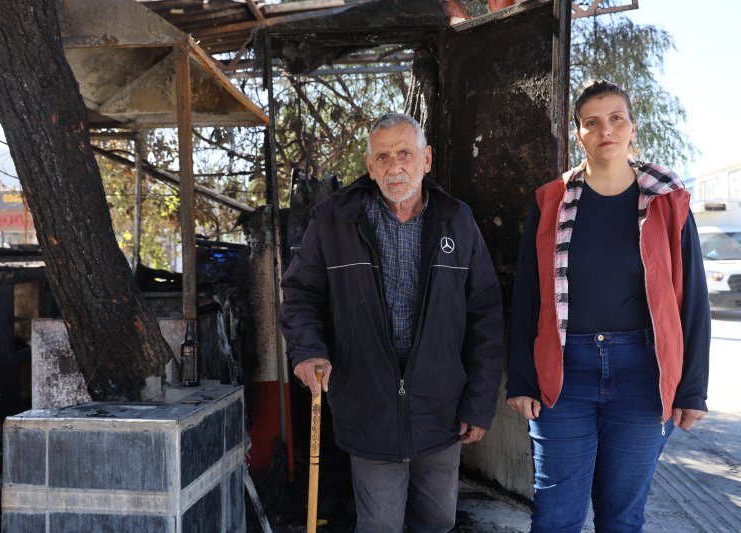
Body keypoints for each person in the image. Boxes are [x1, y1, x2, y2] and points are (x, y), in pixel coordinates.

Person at [279, 113, 504, 532]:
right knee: (380, 524)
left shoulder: (457, 219)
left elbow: (485, 316)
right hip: (369, 405)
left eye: (405, 153)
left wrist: (478, 401)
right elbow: (300, 294)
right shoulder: (334, 219)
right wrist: (308, 350)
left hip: (441, 407)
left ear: (427, 159)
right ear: (369, 166)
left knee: (437, 521)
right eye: (382, 157)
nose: (394, 166)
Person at [507, 80, 711, 532]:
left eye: (616, 118)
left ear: (632, 127)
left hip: (644, 372)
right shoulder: (551, 202)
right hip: (563, 372)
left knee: (622, 515)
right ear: (578, 134)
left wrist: (691, 387)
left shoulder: (667, 200)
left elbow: (692, 298)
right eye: (592, 122)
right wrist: (522, 378)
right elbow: (528, 296)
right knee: (556, 515)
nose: (606, 131)